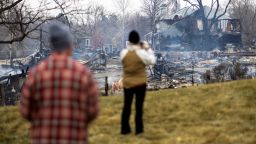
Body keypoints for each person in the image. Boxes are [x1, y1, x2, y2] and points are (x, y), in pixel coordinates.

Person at [20, 24, 99, 144]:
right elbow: (93, 111)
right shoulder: (83, 73)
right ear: (69, 45)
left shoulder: (35, 74)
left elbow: (25, 111)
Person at [120, 31, 156, 135]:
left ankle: (125, 129)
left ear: (130, 41)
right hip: (140, 83)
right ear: (138, 40)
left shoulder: (123, 53)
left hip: (127, 84)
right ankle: (139, 129)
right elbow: (152, 61)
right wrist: (147, 48)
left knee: (127, 106)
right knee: (138, 107)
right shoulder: (141, 53)